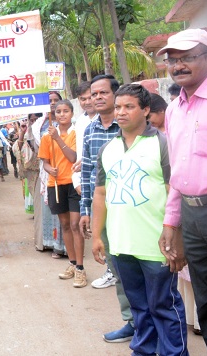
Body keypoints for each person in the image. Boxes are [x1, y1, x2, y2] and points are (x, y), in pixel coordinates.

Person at [92, 84, 188, 355]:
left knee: (164, 306)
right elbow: (100, 194)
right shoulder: (108, 150)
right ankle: (143, 350)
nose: (121, 112)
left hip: (156, 245)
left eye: (129, 106)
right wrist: (98, 235)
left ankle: (175, 353)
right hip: (122, 244)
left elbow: (174, 190)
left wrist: (176, 234)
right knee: (139, 308)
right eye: (118, 107)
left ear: (146, 110)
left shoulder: (162, 143)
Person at [157, 28, 207, 352]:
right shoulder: (175, 110)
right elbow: (178, 171)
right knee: (206, 303)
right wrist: (172, 222)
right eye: (173, 60)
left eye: (187, 58)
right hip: (192, 216)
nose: (178, 65)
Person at [79, 75, 135, 342]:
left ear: (115, 94)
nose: (97, 98)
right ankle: (132, 322)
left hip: (131, 209)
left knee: (144, 268)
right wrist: (86, 209)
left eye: (102, 93)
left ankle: (152, 324)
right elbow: (88, 172)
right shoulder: (90, 129)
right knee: (119, 270)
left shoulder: (128, 126)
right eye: (93, 94)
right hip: (104, 211)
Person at [38, 100, 86, 287]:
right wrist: (50, 169)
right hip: (55, 184)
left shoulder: (75, 134)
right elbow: (45, 162)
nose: (62, 114)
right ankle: (72, 264)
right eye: (58, 111)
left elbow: (74, 157)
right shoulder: (46, 137)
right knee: (65, 224)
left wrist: (58, 138)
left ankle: (81, 268)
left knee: (75, 224)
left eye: (66, 111)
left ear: (72, 113)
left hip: (74, 184)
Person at [31, 92, 65, 258]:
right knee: (48, 207)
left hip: (63, 168)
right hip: (45, 170)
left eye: (55, 101)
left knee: (61, 209)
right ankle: (48, 243)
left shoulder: (67, 123)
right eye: (49, 101)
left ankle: (61, 247)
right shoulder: (38, 125)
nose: (52, 104)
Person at [71, 81, 95, 196]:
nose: (87, 102)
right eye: (83, 99)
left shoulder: (106, 120)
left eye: (90, 97)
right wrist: (76, 181)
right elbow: (80, 154)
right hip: (84, 180)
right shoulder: (80, 122)